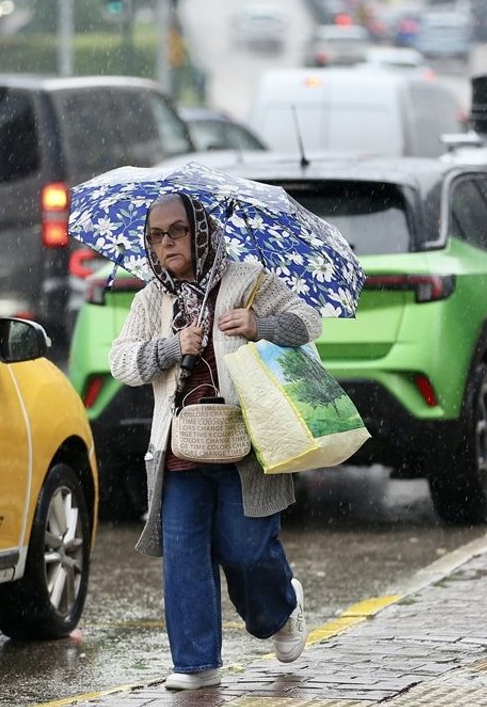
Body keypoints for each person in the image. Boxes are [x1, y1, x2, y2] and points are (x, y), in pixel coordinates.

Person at [109, 193, 322, 691]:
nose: (167, 244)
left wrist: (259, 325)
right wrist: (169, 346)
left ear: (200, 231)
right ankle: (196, 661)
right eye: (157, 236)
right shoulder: (151, 299)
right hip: (179, 447)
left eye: (177, 231)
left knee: (246, 550)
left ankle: (281, 611)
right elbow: (121, 361)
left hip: (246, 444)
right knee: (184, 555)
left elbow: (308, 323)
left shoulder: (248, 282)